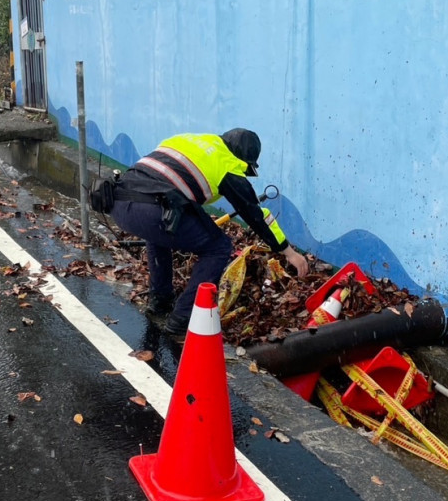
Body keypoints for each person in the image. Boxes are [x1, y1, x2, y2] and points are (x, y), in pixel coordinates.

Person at [110, 128, 309, 341]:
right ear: (244, 158)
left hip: (118, 202)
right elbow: (254, 215)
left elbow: (167, 181)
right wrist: (288, 252)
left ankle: (160, 301)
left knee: (161, 230)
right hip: (152, 212)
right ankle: (182, 319)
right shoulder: (227, 164)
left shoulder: (190, 141)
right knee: (219, 247)